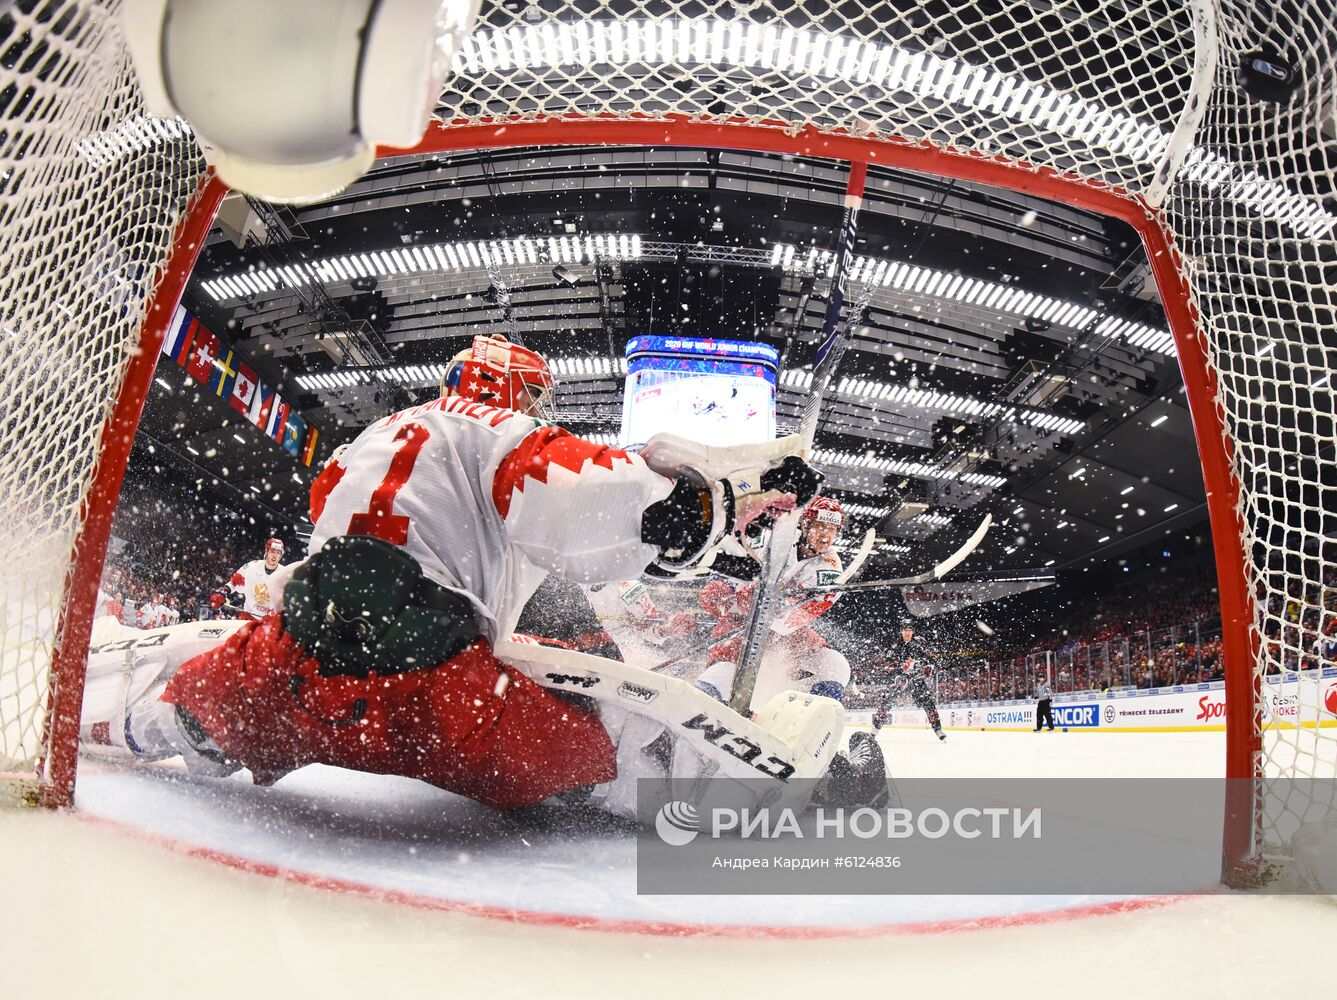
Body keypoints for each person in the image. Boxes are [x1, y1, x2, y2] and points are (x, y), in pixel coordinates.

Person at [91, 334, 880, 818]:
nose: (542, 404)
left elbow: (338, 548)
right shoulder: (503, 433)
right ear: (508, 386)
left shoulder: (367, 440)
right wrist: (735, 496)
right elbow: (633, 513)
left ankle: (99, 721)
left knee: (182, 711)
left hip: (288, 675)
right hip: (438, 702)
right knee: (626, 757)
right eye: (535, 391)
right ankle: (810, 780)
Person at [694, 494, 851, 710]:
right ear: (805, 526)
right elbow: (730, 573)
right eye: (820, 526)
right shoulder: (773, 537)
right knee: (724, 674)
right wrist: (726, 591)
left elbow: (787, 622)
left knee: (836, 666)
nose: (826, 535)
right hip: (740, 623)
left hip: (783, 633)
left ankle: (805, 718)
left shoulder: (831, 568)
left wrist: (775, 602)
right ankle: (701, 709)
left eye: (832, 529)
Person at [872, 622, 947, 741]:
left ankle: (938, 729)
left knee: (928, 702)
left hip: (917, 678)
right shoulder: (895, 645)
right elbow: (888, 663)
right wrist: (900, 667)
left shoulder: (920, 642)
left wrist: (927, 667)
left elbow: (930, 659)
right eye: (905, 630)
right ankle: (875, 729)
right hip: (901, 679)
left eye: (909, 630)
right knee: (887, 700)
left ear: (913, 631)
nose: (907, 633)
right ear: (901, 631)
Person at [211, 537, 285, 620]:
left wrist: (279, 611)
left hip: (271, 621)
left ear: (281, 555)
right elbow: (234, 582)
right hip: (249, 616)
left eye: (278, 552)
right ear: (267, 551)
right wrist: (223, 591)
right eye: (272, 551)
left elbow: (289, 599)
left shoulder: (285, 573)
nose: (275, 555)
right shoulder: (252, 566)